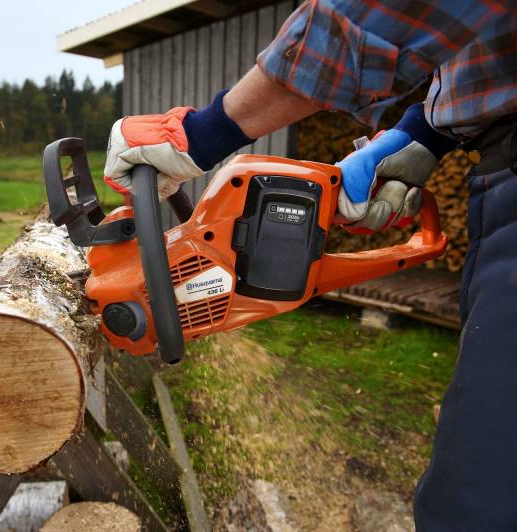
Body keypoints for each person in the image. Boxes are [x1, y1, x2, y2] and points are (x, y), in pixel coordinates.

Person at [103, 1, 517, 529]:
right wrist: (421, 135)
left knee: (477, 503)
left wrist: (205, 133)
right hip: (494, 179)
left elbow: (378, 17)